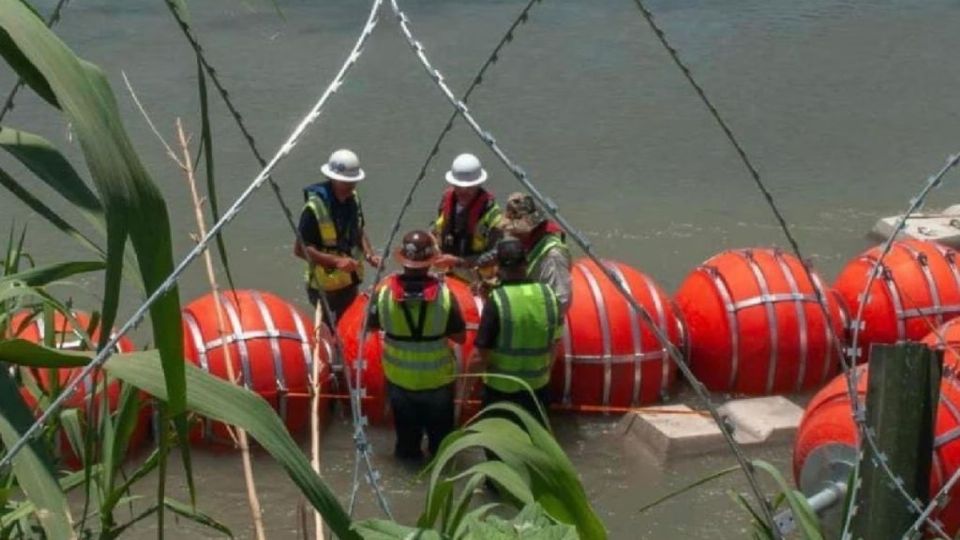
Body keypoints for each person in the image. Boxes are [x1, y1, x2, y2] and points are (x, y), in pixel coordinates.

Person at [366, 230, 466, 460]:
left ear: (403, 259)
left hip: (401, 385)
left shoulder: (382, 295)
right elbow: (460, 337)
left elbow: (370, 328)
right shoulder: (445, 295)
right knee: (442, 449)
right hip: (438, 383)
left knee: (406, 447)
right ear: (430, 261)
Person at [472, 237, 562, 423]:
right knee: (531, 446)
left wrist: (464, 393)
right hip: (537, 391)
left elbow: (479, 356)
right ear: (526, 263)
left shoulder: (498, 300)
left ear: (498, 267)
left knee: (499, 447)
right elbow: (555, 345)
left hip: (501, 393)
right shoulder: (548, 295)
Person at [294, 149, 381, 322]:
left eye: (353, 182)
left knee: (349, 324)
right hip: (324, 287)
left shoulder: (353, 198)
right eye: (345, 183)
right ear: (332, 179)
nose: (350, 187)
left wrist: (370, 254)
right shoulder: (314, 208)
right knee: (329, 329)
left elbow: (359, 229)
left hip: (349, 281)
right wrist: (336, 262)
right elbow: (300, 250)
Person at [431, 153, 502, 283]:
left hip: (479, 281)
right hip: (448, 274)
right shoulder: (446, 201)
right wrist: (431, 242)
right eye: (458, 186)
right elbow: (437, 229)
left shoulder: (493, 215)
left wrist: (459, 262)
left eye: (469, 188)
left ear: (479, 184)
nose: (463, 192)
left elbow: (497, 253)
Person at [499, 192, 572, 316]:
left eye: (515, 231)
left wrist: (519, 307)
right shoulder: (529, 245)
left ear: (533, 229)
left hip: (540, 324)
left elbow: (561, 302)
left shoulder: (552, 255)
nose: (512, 234)